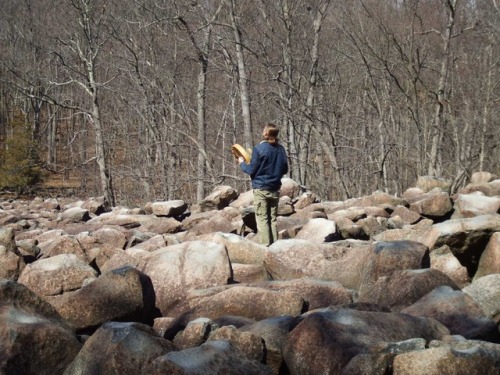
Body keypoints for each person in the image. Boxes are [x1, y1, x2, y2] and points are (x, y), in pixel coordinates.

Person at [238, 123, 288, 246]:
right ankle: (275, 246)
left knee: (262, 219)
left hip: (261, 189)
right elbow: (285, 169)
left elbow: (250, 170)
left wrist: (241, 163)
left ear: (265, 133)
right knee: (272, 219)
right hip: (275, 188)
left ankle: (266, 247)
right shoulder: (280, 149)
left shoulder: (259, 149)